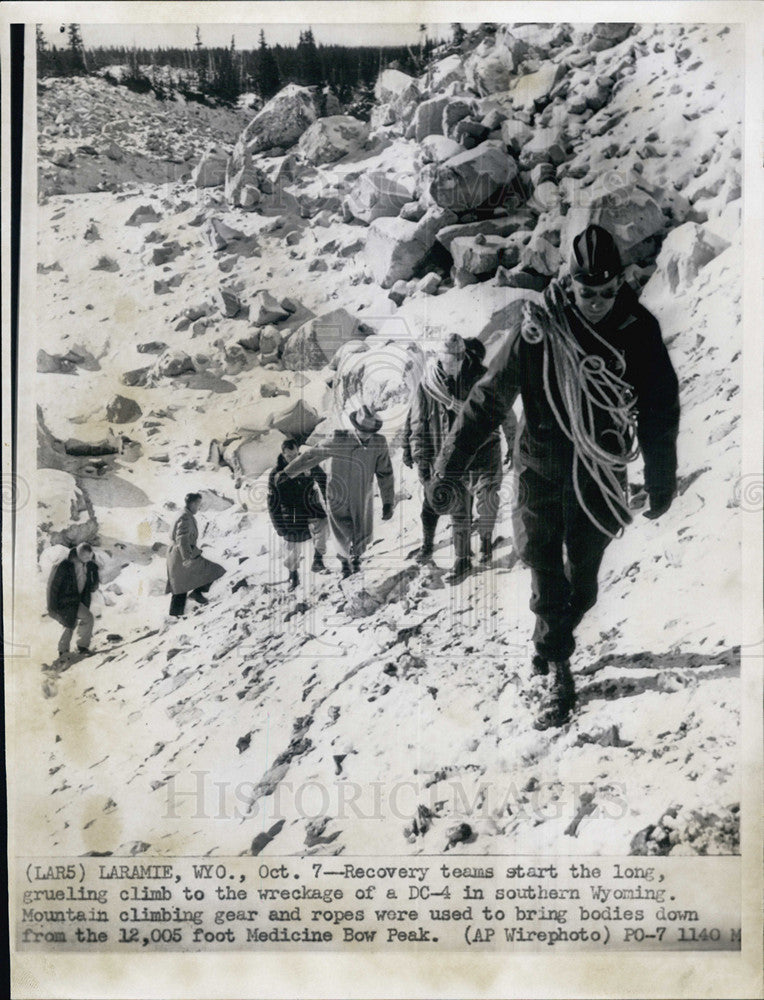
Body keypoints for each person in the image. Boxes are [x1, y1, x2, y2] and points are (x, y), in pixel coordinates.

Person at [434, 224, 680, 729]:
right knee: (543, 563)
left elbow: (659, 408)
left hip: (600, 473)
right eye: (588, 293)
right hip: (541, 467)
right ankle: (556, 666)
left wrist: (660, 474)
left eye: (607, 293)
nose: (597, 303)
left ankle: (554, 638)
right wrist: (448, 467)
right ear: (570, 281)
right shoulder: (538, 328)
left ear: (620, 285)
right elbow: (487, 399)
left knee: (583, 582)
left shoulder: (638, 328)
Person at [405, 334, 517, 583]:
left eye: (457, 357)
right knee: (459, 508)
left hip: (484, 449)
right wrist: (422, 461)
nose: (453, 363)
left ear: (464, 355)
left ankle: (486, 540)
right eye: (448, 359)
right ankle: (462, 559)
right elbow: (417, 426)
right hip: (448, 455)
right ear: (439, 358)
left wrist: (513, 442)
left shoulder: (484, 377)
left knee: (488, 499)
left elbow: (505, 412)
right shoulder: (428, 385)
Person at [279, 406, 394, 578]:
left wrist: (388, 502)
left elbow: (385, 473)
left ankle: (356, 558)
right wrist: (288, 472)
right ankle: (344, 562)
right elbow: (312, 455)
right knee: (340, 530)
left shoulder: (379, 443)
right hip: (336, 494)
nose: (366, 434)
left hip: (362, 495)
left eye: (370, 431)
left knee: (362, 530)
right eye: (363, 430)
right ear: (356, 427)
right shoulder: (339, 438)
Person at [267, 438, 329, 590]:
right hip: (291, 511)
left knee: (323, 524)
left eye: (294, 455)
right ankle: (293, 575)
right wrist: (278, 526)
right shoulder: (276, 473)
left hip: (310, 504)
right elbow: (272, 502)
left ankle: (318, 559)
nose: (292, 459)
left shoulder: (307, 463)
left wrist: (327, 498)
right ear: (283, 454)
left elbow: (323, 479)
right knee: (292, 546)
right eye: (289, 456)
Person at [166, 493, 225, 617]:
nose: (199, 507)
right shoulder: (185, 517)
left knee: (180, 588)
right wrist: (187, 558)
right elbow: (182, 538)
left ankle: (175, 616)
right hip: (181, 555)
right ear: (193, 504)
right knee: (214, 570)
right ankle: (177, 615)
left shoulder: (183, 514)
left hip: (178, 554)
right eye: (198, 504)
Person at [47, 542, 100, 660]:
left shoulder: (89, 563)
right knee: (81, 619)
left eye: (89, 557)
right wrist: (52, 607)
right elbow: (52, 586)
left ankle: (64, 650)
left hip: (76, 600)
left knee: (71, 622)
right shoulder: (64, 564)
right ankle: (78, 647)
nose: (88, 559)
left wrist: (94, 576)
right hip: (64, 600)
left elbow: (91, 583)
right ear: (79, 554)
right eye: (85, 557)